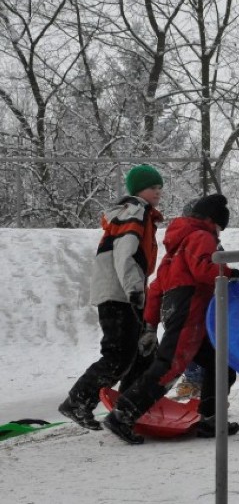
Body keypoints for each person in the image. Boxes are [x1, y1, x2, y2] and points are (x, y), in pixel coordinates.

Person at [103, 194, 239, 444]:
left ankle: (211, 418)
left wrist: (151, 326)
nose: (218, 234)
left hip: (184, 312)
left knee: (221, 362)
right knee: (169, 366)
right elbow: (204, 269)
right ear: (211, 220)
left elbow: (156, 289)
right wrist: (234, 274)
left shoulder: (177, 248)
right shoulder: (201, 236)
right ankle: (123, 414)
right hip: (190, 310)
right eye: (219, 227)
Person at [59, 164, 164, 430]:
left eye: (160, 187)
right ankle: (77, 401)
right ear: (140, 189)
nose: (158, 192)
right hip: (120, 293)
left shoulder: (140, 214)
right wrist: (134, 290)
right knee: (119, 355)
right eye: (153, 187)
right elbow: (124, 254)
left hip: (125, 291)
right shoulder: (135, 212)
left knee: (144, 354)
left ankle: (127, 409)